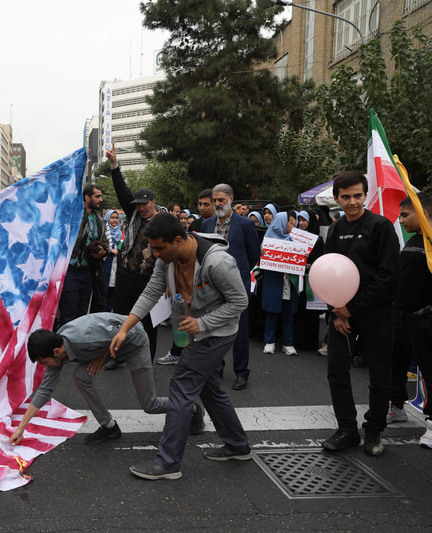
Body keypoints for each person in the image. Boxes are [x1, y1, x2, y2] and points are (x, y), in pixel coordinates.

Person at [111, 213, 251, 480]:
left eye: (159, 248)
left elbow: (239, 302)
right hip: (194, 330)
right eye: (152, 248)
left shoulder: (218, 262)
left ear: (178, 240)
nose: (155, 254)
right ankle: (237, 445)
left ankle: (168, 462)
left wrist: (203, 323)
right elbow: (152, 291)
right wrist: (125, 327)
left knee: (182, 385)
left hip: (216, 333)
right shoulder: (169, 257)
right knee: (209, 389)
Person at [322, 171, 399, 456]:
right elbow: (327, 272)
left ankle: (374, 430)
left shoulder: (381, 226)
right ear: (336, 199)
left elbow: (388, 276)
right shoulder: (336, 229)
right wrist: (337, 312)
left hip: (376, 314)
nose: (352, 202)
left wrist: (351, 308)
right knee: (336, 372)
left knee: (380, 374)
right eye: (346, 197)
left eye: (357, 195)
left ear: (366, 195)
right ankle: (347, 429)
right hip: (341, 315)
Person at [10, 313, 176, 446]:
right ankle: (109, 426)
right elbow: (45, 390)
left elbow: (126, 330)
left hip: (134, 342)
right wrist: (21, 428)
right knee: (80, 375)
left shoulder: (86, 339)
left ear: (56, 351)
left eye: (44, 362)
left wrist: (101, 356)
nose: (44, 366)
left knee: (150, 405)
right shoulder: (58, 347)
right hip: (107, 346)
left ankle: (189, 408)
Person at [388, 193, 432, 449]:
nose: (401, 220)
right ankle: (397, 407)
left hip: (428, 318)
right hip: (401, 316)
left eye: (405, 215)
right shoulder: (413, 240)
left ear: (423, 213)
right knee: (396, 365)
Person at [198, 183, 260, 389]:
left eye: (221, 200)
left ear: (231, 200)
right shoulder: (206, 225)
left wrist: (237, 275)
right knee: (214, 329)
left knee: (240, 331)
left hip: (237, 286)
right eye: (214, 200)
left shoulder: (245, 225)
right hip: (211, 287)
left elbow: (254, 256)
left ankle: (242, 372)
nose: (217, 204)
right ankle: (217, 368)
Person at [105, 145, 160, 365]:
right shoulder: (134, 216)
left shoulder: (165, 222)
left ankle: (147, 358)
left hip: (149, 279)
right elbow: (122, 191)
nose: (142, 208)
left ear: (153, 201)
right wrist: (114, 166)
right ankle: (117, 356)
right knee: (121, 318)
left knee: (147, 321)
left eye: (145, 203)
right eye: (138, 205)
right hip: (126, 275)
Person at [57, 185, 106, 326]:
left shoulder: (100, 221)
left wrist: (104, 251)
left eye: (101, 196)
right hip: (71, 271)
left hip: (88, 273)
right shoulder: (75, 216)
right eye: (97, 196)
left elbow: (106, 244)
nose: (101, 200)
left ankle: (77, 347)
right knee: (69, 314)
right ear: (86, 197)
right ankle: (65, 345)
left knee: (82, 316)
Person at [261, 211, 299, 356]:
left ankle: (288, 343)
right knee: (271, 313)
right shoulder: (267, 241)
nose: (292, 225)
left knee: (288, 314)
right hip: (274, 282)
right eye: (289, 222)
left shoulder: (295, 241)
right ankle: (269, 342)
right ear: (281, 223)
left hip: (289, 282)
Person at [293, 209, 325, 351]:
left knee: (311, 311)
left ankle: (311, 341)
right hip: (298, 279)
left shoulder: (318, 240)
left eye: (304, 220)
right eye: (300, 220)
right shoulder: (294, 238)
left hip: (311, 280)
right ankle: (298, 340)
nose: (301, 223)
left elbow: (319, 261)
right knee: (299, 310)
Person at [102, 209, 122, 312]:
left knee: (113, 292)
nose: (115, 220)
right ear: (107, 218)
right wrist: (110, 250)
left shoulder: (121, 233)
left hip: (116, 265)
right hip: (106, 263)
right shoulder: (103, 230)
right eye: (112, 218)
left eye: (116, 218)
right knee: (103, 292)